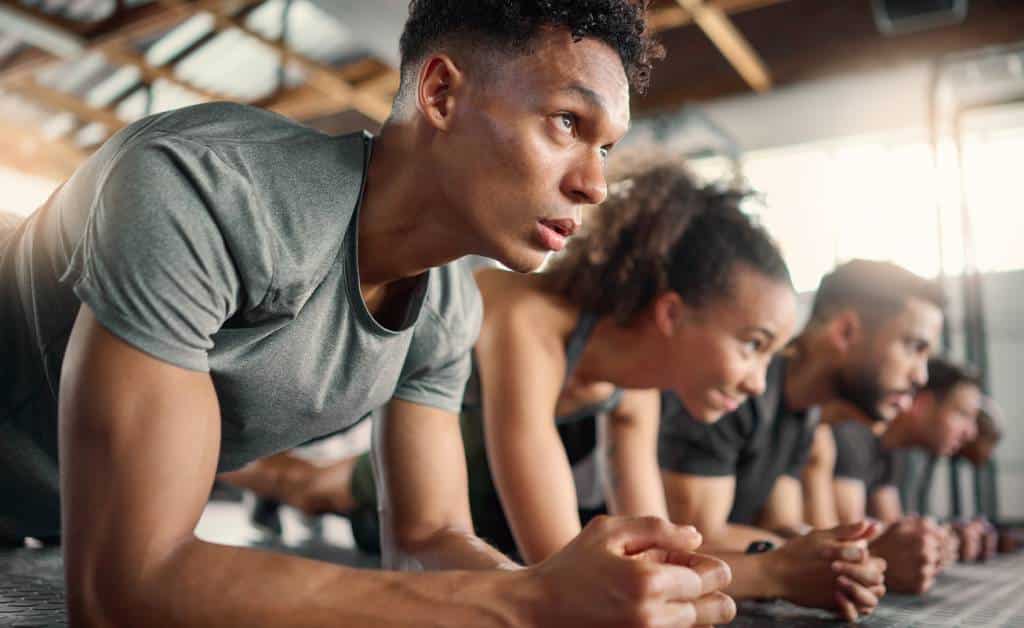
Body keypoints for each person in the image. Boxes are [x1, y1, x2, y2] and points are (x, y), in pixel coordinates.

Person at [0, 2, 739, 627]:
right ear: (441, 93)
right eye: (569, 124)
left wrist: (560, 597)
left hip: (39, 522)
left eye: (607, 148)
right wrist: (526, 602)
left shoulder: (447, 310)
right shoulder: (202, 190)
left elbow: (427, 537)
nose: (597, 186)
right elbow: (123, 584)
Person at [226, 158, 802, 564]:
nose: (758, 383)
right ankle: (226, 471)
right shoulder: (532, 319)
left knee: (336, 491)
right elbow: (557, 558)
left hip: (476, 454)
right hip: (425, 415)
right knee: (313, 488)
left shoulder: (638, 386)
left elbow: (651, 543)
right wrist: (773, 571)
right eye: (753, 345)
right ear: (672, 313)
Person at [659, 259, 946, 618]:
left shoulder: (807, 417)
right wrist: (851, 554)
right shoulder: (734, 390)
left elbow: (780, 527)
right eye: (913, 346)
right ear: (846, 331)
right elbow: (697, 538)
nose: (921, 375)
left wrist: (855, 551)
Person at [823, 358, 982, 592]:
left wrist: (941, 540)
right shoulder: (853, 434)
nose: (971, 432)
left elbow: (896, 531)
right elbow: (849, 537)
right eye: (962, 414)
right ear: (924, 404)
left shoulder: (894, 452)